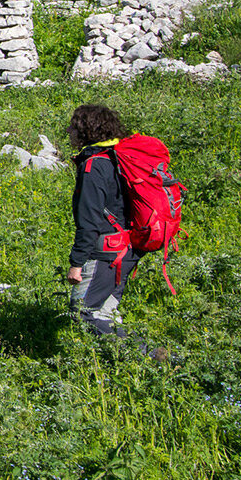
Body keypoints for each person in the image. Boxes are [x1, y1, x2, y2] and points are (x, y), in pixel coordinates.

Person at [66, 102, 140, 339]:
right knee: (105, 314)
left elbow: (89, 221)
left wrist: (77, 263)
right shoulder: (117, 160)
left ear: (86, 131)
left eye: (73, 127)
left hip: (105, 253)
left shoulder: (93, 166)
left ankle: (148, 356)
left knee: (84, 313)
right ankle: (128, 367)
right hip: (127, 249)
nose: (69, 132)